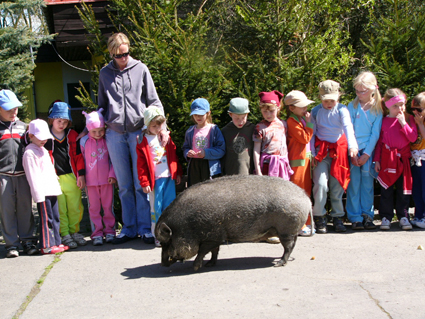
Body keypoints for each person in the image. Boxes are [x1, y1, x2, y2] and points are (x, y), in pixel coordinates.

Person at [97, 32, 166, 245]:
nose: (124, 58)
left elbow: (153, 100)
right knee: (124, 185)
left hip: (138, 132)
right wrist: (95, 126)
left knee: (140, 183)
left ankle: (145, 228)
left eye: (126, 53)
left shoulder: (141, 69)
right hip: (115, 133)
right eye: (119, 55)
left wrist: (162, 127)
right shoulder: (104, 73)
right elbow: (101, 105)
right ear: (111, 53)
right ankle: (128, 228)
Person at [311, 80, 358, 234]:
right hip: (322, 152)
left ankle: (338, 216)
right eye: (326, 100)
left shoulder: (342, 110)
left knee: (337, 184)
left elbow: (347, 127)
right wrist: (311, 152)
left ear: (338, 97)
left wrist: (352, 145)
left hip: (338, 151)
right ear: (320, 98)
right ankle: (319, 215)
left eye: (332, 100)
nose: (329, 103)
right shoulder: (316, 111)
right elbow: (312, 133)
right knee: (321, 184)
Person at [136, 106, 183, 246]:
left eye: (159, 125)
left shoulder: (166, 137)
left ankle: (170, 234)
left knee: (170, 206)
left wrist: (178, 172)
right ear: (147, 124)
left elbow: (174, 156)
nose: (157, 128)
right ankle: (158, 235)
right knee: (156, 208)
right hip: (154, 180)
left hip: (168, 177)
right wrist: (144, 182)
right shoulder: (142, 140)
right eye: (154, 125)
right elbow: (141, 164)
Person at [374, 88, 417, 230]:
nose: (399, 109)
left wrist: (403, 123)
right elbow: (379, 142)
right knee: (386, 188)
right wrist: (377, 160)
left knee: (403, 189)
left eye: (402, 105)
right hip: (387, 159)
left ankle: (403, 216)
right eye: (395, 106)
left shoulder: (409, 118)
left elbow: (412, 137)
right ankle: (386, 217)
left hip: (403, 159)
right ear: (388, 105)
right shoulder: (384, 121)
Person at [0, 90, 36, 258]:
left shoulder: (23, 127)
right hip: (3, 176)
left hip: (22, 176)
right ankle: (11, 244)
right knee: (6, 210)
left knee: (25, 208)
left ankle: (28, 240)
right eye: (8, 109)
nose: (13, 112)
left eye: (15, 108)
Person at [253, 90, 292, 244]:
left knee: (281, 197)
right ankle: (266, 232)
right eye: (264, 111)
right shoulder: (260, 127)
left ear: (278, 108)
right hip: (267, 165)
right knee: (267, 198)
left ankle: (282, 228)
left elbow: (286, 145)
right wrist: (257, 168)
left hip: (281, 165)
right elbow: (256, 149)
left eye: (271, 110)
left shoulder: (283, 124)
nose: (268, 114)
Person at [22, 119, 66, 254]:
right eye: (40, 138)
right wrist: (38, 196)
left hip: (52, 189)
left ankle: (56, 242)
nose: (44, 141)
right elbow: (33, 176)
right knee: (47, 220)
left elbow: (50, 168)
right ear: (31, 136)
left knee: (55, 218)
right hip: (43, 192)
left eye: (45, 137)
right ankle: (46, 245)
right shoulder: (29, 153)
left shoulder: (43, 150)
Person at [346, 72, 383, 230]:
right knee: (354, 184)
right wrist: (353, 150)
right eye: (357, 91)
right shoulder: (352, 106)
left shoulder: (378, 108)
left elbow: (375, 134)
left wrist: (367, 154)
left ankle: (367, 215)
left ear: (373, 89)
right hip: (353, 150)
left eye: (363, 91)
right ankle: (354, 217)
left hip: (369, 152)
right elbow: (348, 130)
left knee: (367, 184)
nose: (360, 94)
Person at [47, 102, 87, 248]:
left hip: (71, 177)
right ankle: (64, 234)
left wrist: (81, 175)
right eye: (59, 121)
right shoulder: (45, 136)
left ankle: (75, 231)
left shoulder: (72, 135)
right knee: (60, 209)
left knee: (75, 207)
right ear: (51, 119)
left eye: (65, 121)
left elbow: (78, 157)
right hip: (54, 178)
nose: (62, 124)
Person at [80, 109, 117, 246]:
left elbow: (114, 159)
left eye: (100, 130)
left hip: (107, 181)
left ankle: (110, 232)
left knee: (108, 207)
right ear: (88, 129)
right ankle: (97, 234)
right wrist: (81, 176)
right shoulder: (83, 142)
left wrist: (113, 174)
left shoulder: (108, 140)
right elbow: (80, 161)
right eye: (94, 131)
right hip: (90, 183)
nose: (97, 134)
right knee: (94, 208)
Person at [284, 90, 315, 236]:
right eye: (302, 106)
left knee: (306, 193)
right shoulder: (291, 122)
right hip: (297, 164)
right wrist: (309, 124)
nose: (305, 109)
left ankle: (307, 223)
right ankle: (299, 225)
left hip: (305, 162)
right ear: (291, 108)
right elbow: (304, 138)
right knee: (298, 194)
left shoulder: (300, 119)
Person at [182, 98, 225, 186]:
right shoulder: (190, 131)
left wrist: (206, 153)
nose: (198, 117)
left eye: (201, 114)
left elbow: (221, 150)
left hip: (209, 165)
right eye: (195, 114)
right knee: (194, 191)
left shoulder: (214, 129)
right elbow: (185, 147)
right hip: (194, 166)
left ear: (208, 113)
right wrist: (187, 153)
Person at [221, 97, 255, 175]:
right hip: (230, 175)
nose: (240, 121)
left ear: (247, 114)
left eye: (243, 118)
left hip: (249, 174)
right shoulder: (225, 131)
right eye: (236, 118)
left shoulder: (253, 129)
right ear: (230, 114)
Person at [410, 92, 425, 229]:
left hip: (424, 158)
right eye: (413, 109)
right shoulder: (412, 119)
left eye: (419, 109)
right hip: (415, 159)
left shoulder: (421, 121)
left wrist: (420, 124)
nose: (415, 112)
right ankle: (419, 215)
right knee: (417, 190)